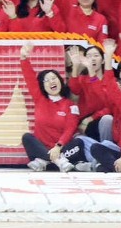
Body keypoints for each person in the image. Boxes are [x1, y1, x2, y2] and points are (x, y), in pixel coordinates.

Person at [18, 43, 83, 172]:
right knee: (27, 137)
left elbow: (70, 129)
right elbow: (30, 78)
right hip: (43, 150)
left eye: (54, 78)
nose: (52, 81)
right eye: (47, 80)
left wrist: (58, 146)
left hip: (62, 149)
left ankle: (44, 162)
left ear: (60, 81)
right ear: (43, 86)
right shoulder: (40, 99)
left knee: (79, 143)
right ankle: (57, 161)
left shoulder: (70, 105)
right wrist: (24, 59)